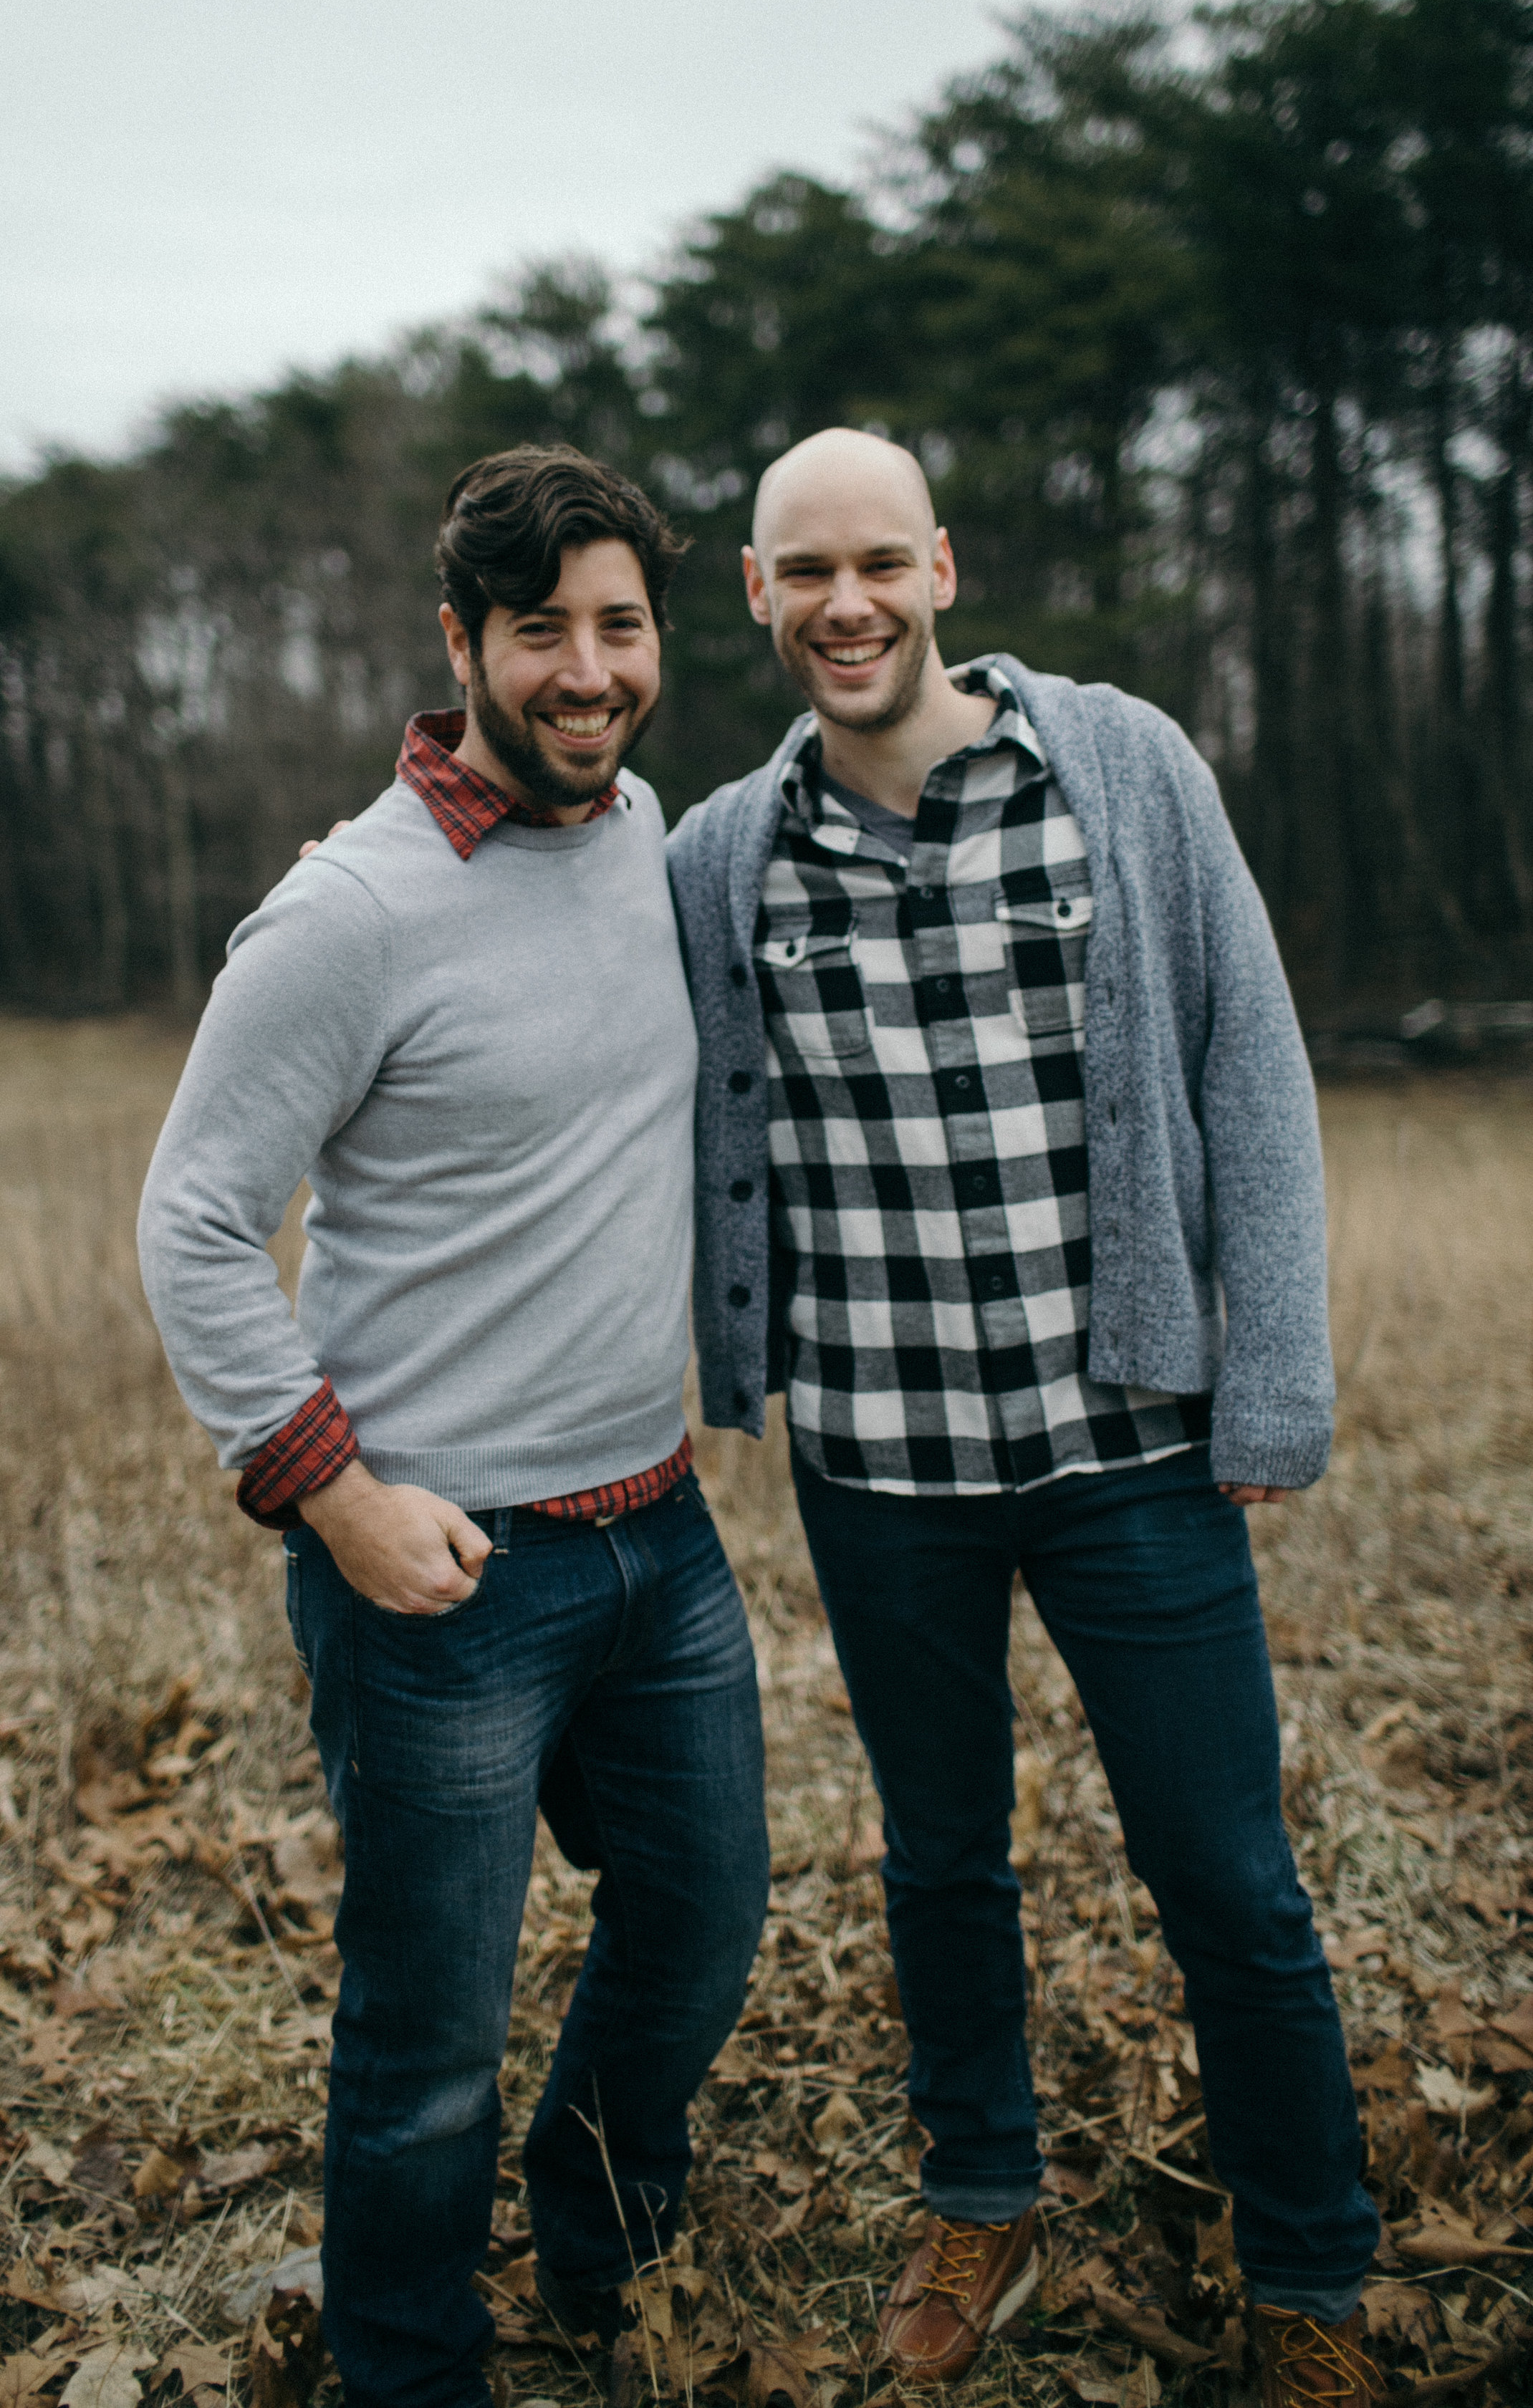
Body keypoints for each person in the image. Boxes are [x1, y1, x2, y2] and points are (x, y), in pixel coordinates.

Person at [667, 428, 1383, 2402]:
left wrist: (1275, 1371)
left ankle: (1311, 2279)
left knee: (1227, 1876)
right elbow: (547, 968)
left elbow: (1252, 1061)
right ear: (753, 590)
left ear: (942, 567)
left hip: (1126, 1450)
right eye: (804, 570)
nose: (845, 604)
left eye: (878, 562)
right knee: (938, 1857)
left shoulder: (1120, 767)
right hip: (879, 1464)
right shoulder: (720, 858)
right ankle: (981, 2190)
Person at [138, 446, 769, 2408]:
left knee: (699, 1926)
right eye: (541, 632)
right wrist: (337, 1506)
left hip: (653, 1535)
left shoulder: (643, 823)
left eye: (620, 626)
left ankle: (596, 2249)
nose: (587, 671)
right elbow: (189, 1224)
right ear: (459, 645)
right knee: (425, 2038)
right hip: (442, 1574)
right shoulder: (347, 914)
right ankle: (410, 2362)